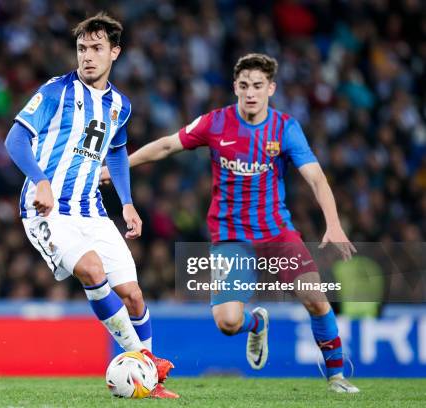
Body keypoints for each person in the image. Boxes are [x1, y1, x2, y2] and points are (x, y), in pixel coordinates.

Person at [101, 53, 360, 393]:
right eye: (243, 86)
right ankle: (256, 324)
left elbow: (316, 178)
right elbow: (166, 146)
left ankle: (337, 377)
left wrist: (333, 223)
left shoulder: (285, 128)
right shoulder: (215, 123)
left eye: (257, 86)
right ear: (235, 87)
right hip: (230, 238)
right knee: (227, 323)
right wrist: (119, 168)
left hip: (276, 232)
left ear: (271, 88)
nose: (250, 93)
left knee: (315, 297)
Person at [4, 12, 178, 398]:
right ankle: (145, 359)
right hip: (47, 210)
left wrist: (128, 203)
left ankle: (152, 382)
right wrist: (42, 181)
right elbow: (14, 140)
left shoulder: (120, 105)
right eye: (82, 48)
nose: (87, 56)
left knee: (133, 294)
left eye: (96, 48)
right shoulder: (56, 92)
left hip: (92, 211)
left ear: (114, 52)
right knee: (91, 268)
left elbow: (116, 153)